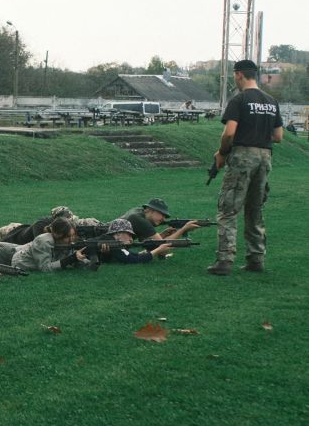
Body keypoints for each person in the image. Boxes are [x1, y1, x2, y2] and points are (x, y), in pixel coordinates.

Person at [207, 59, 284, 275]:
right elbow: (278, 136)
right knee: (255, 208)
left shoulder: (239, 100)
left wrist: (222, 153)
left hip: (242, 157)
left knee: (228, 209)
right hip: (265, 157)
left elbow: (229, 132)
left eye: (235, 75)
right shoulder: (271, 101)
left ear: (239, 74)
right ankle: (256, 259)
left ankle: (224, 260)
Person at [0, 217, 96, 273]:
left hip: (17, 250)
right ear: (57, 234)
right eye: (68, 237)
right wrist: (71, 259)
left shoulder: (63, 242)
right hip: (9, 258)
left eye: (73, 236)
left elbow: (73, 259)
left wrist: (90, 259)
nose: (71, 240)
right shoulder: (45, 241)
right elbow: (45, 268)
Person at [88, 219, 172, 264]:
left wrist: (148, 251)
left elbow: (131, 254)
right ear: (118, 234)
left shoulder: (110, 241)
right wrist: (158, 250)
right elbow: (133, 260)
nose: (131, 239)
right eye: (128, 234)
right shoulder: (112, 242)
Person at [119, 198, 202, 242]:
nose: (164, 219)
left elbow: (147, 242)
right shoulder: (141, 221)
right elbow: (162, 246)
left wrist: (162, 234)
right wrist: (183, 229)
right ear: (151, 210)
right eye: (162, 214)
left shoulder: (137, 211)